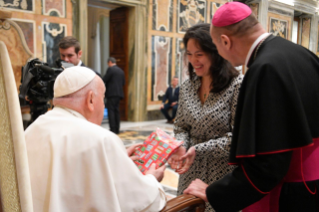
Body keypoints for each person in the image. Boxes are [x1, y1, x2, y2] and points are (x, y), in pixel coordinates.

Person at [183, 2, 319, 212]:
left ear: (226, 41)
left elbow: (268, 165)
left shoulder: (264, 69)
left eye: (216, 47)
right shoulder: (302, 53)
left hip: (291, 190)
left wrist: (214, 192)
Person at [25, 66, 167, 212]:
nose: (104, 104)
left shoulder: (33, 129)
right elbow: (141, 202)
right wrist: (152, 179)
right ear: (91, 99)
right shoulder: (102, 139)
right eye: (103, 98)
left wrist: (116, 161)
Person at [168, 23, 243, 212]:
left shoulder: (236, 85)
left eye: (199, 54)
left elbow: (239, 137)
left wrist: (198, 149)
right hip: (190, 172)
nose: (193, 60)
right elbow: (181, 127)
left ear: (216, 52)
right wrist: (181, 145)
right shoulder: (187, 87)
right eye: (189, 54)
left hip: (222, 174)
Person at [102, 57, 125, 134]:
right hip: (119, 94)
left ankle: (112, 129)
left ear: (110, 62)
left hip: (111, 93)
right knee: (116, 111)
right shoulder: (121, 71)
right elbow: (123, 83)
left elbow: (105, 79)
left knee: (111, 111)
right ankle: (117, 129)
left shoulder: (111, 69)